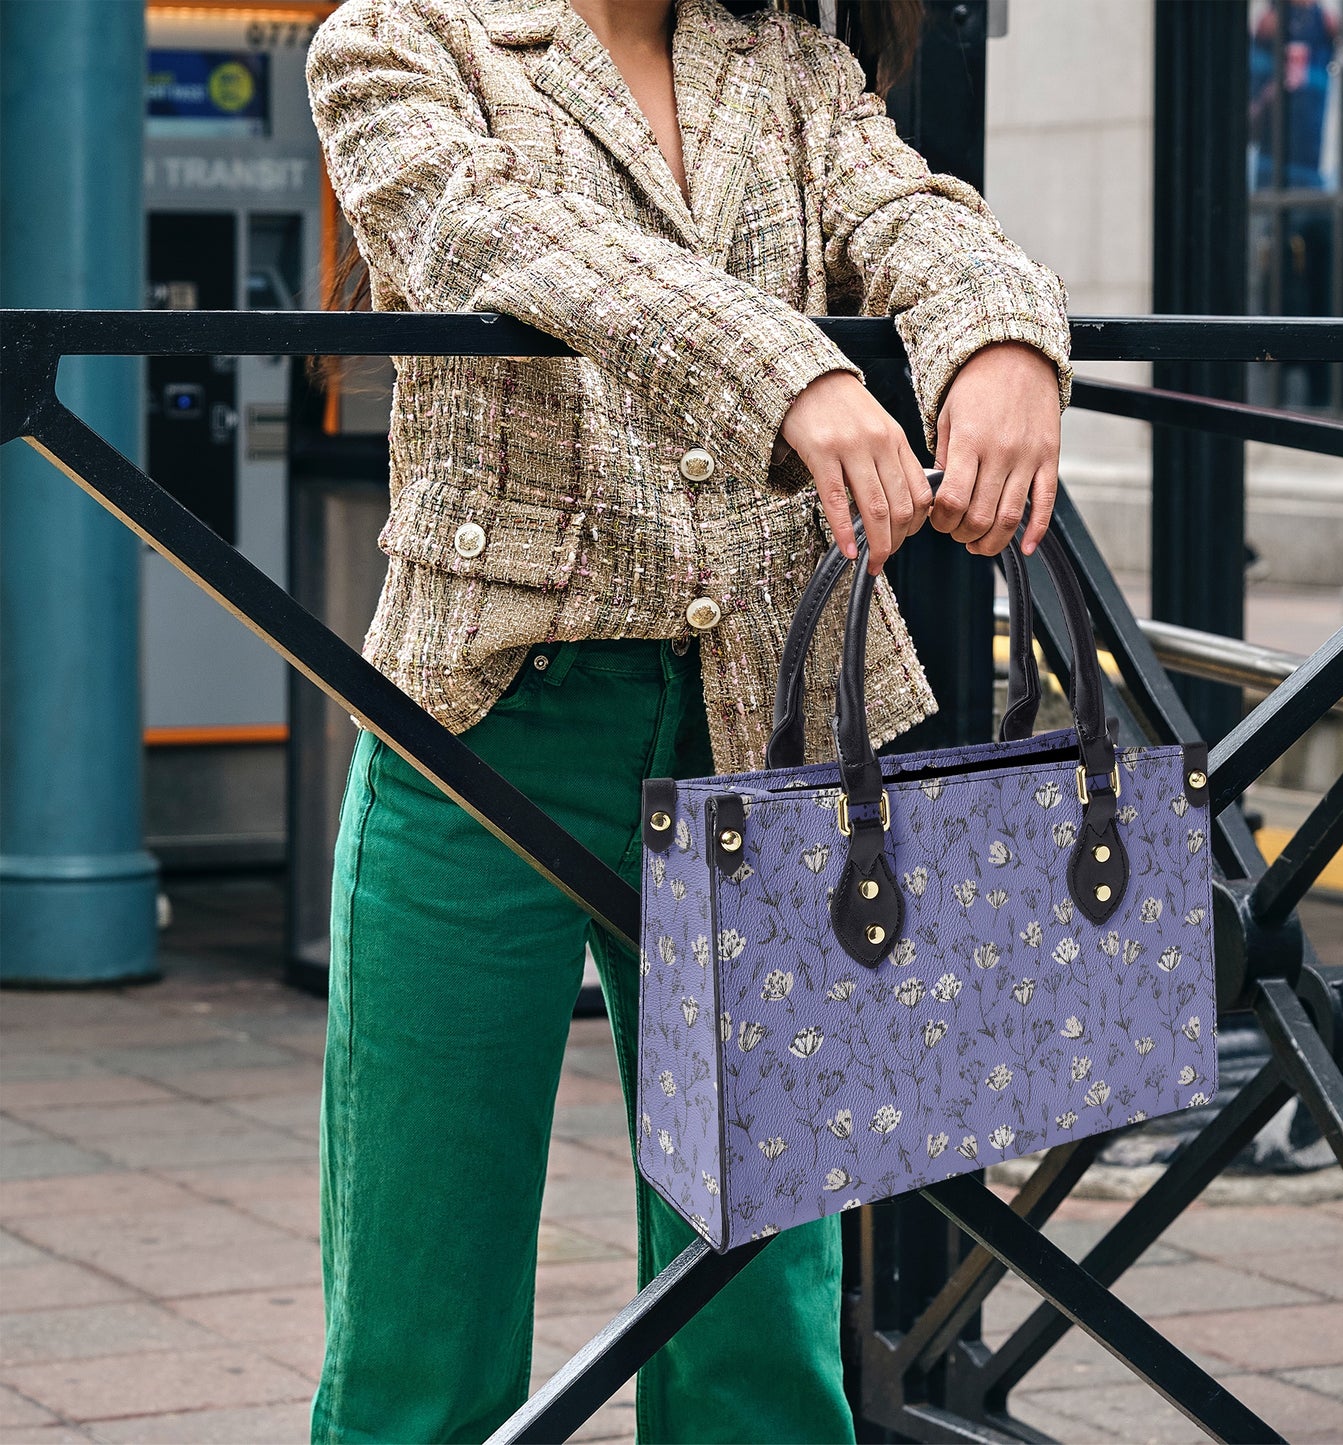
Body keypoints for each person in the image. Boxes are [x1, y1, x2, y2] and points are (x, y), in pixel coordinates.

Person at [303, 0, 1072, 1439]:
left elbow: (913, 216)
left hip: (764, 726)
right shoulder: (398, 38)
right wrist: (797, 372)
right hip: (487, 725)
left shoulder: (784, 61)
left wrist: (1000, 341)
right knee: (423, 1306)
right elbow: (505, 236)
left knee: (761, 1326)